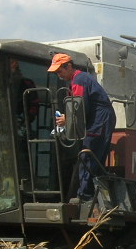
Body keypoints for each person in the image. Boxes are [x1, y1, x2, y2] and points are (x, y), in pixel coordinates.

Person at [47, 52, 116, 203]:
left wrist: (67, 119)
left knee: (87, 156)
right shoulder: (80, 78)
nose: (59, 75)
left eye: (60, 71)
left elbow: (80, 106)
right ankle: (94, 195)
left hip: (99, 120)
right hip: (100, 119)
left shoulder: (78, 80)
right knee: (93, 158)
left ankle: (85, 196)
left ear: (68, 66)